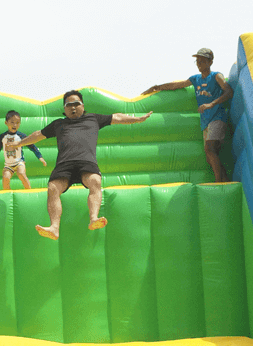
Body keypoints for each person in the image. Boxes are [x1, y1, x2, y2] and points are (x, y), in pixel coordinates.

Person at [17, 90, 153, 240]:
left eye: (76, 104)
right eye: (69, 105)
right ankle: (54, 227)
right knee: (53, 188)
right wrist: (19, 143)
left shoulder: (93, 118)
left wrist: (137, 119)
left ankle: (94, 218)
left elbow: (117, 117)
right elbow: (38, 134)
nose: (73, 107)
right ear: (64, 108)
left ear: (83, 105)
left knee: (95, 181)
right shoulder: (58, 124)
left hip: (86, 162)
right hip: (64, 164)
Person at [143, 48, 233, 182]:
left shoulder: (216, 76)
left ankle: (218, 181)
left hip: (217, 117)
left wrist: (211, 104)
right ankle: (225, 180)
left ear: (210, 62)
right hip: (206, 121)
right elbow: (178, 85)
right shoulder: (195, 79)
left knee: (210, 149)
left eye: (202, 60)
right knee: (210, 156)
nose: (199, 63)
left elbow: (229, 92)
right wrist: (157, 87)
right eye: (197, 61)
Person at [0, 110, 47, 189]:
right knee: (5, 178)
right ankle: (8, 194)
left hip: (19, 162)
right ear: (6, 123)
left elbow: (31, 146)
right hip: (8, 165)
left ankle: (29, 191)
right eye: (12, 122)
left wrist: (40, 157)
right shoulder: (3, 137)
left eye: (17, 123)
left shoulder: (21, 136)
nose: (15, 125)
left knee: (21, 173)